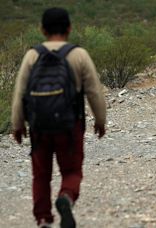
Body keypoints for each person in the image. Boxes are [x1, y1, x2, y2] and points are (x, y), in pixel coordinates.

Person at [11, 8, 106, 228]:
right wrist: (100, 121)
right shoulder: (78, 54)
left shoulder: (32, 55)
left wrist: (18, 125)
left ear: (42, 30)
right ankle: (66, 197)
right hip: (69, 127)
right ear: (69, 28)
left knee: (41, 176)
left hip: (38, 127)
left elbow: (20, 93)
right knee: (72, 171)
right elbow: (94, 91)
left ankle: (43, 219)